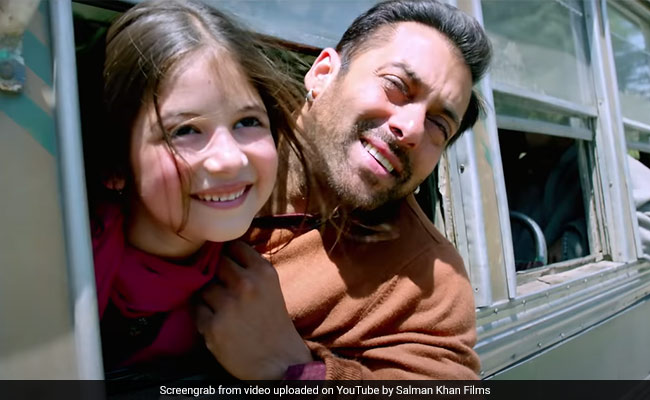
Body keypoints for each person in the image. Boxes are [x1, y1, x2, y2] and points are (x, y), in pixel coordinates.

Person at [196, 0, 492, 380]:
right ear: (323, 73)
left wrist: (293, 368)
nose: (412, 128)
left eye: (439, 124)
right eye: (396, 86)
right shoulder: (204, 147)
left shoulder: (428, 280)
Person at [81, 0, 305, 371]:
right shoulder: (59, 262)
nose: (230, 158)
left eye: (248, 122)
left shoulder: (252, 286)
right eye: (185, 131)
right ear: (114, 165)